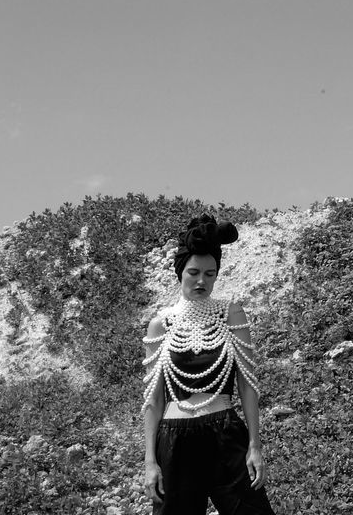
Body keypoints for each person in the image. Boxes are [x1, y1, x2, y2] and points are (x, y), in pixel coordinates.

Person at [142, 215, 277, 515]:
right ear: (180, 272)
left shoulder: (232, 314)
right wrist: (150, 461)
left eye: (209, 273)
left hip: (226, 435)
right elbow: (153, 400)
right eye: (193, 272)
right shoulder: (159, 325)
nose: (201, 280)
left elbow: (247, 382)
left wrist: (255, 445)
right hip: (175, 440)